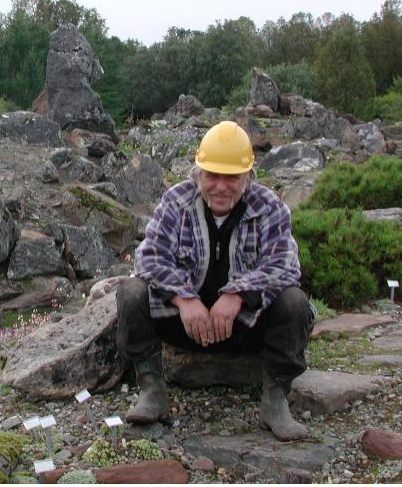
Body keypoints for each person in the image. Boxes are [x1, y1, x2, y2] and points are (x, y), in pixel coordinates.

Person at [116, 120, 315, 441]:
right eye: (212, 176)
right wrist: (184, 298)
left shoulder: (270, 208)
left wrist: (238, 295)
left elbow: (284, 264)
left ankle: (275, 399)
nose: (221, 186)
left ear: (248, 177)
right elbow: (149, 257)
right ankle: (152, 389)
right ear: (199, 173)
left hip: (245, 326)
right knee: (131, 292)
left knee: (294, 302)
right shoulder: (175, 202)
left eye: (232, 177)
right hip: (185, 324)